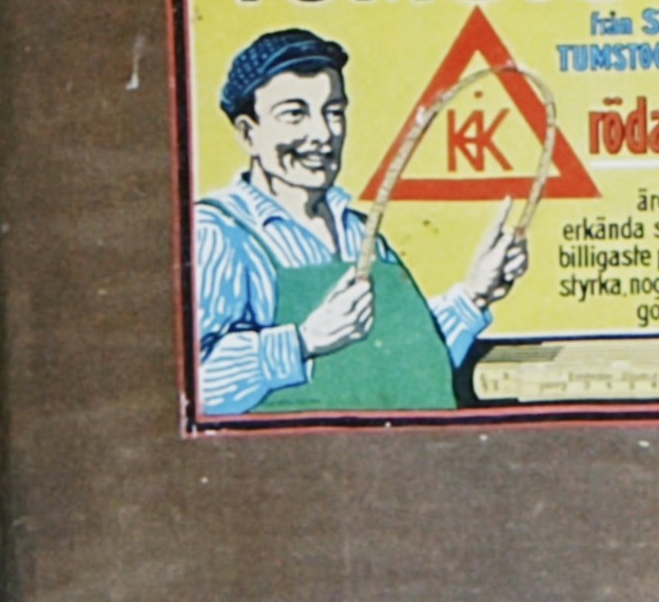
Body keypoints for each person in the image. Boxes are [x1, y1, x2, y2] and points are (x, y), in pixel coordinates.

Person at [193, 26, 527, 417]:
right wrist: (304, 341)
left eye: (333, 112)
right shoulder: (218, 232)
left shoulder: (359, 232)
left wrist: (475, 295)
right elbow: (194, 385)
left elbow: (410, 361)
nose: (322, 134)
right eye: (295, 115)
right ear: (248, 133)